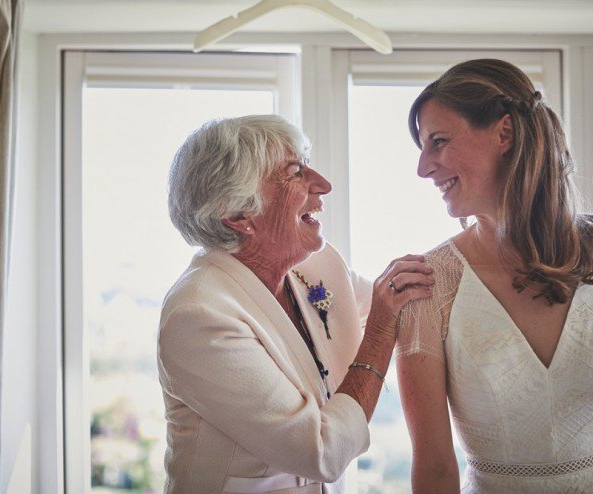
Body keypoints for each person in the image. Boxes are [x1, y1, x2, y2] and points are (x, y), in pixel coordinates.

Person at [396, 58, 593, 493]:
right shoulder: (428, 287)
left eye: (439, 141)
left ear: (504, 133)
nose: (423, 167)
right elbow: (434, 469)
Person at [158, 114, 434, 493]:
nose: (323, 185)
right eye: (296, 172)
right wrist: (381, 329)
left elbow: (404, 306)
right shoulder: (199, 315)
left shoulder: (317, 264)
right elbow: (321, 453)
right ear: (239, 214)